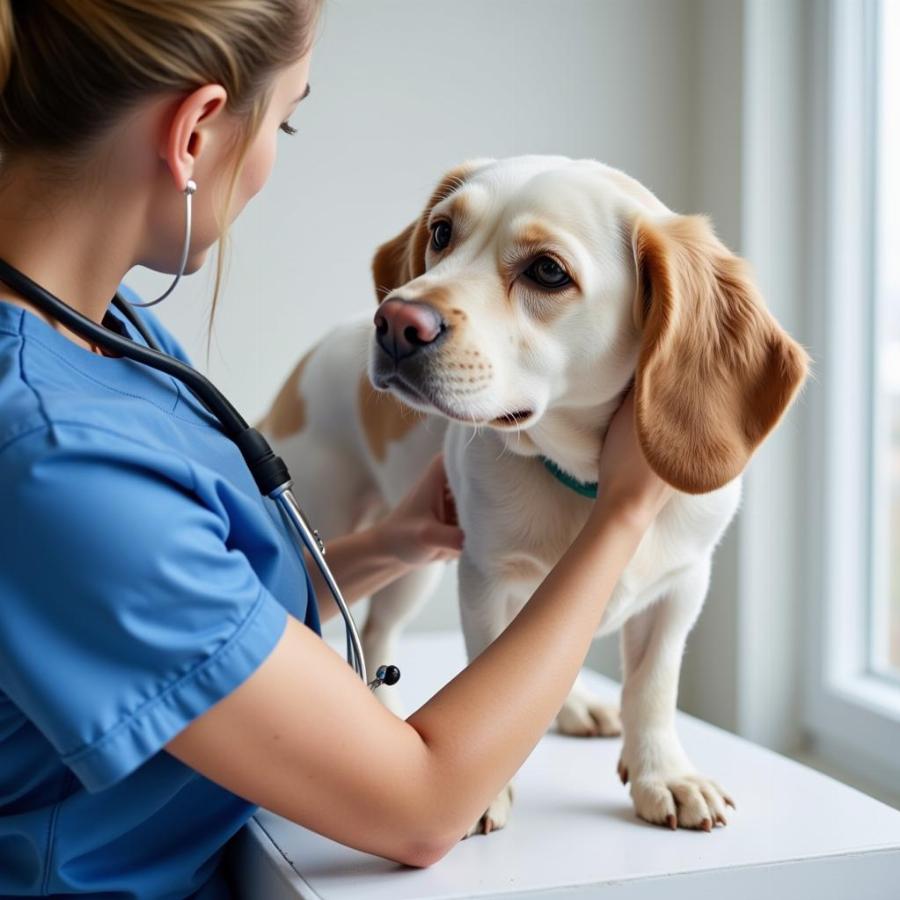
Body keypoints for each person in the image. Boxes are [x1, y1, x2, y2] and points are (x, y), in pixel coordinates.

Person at [0, 1, 673, 897]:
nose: (275, 153)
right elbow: (421, 806)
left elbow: (180, 622)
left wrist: (388, 545)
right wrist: (625, 513)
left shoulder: (104, 331)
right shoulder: (53, 454)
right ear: (196, 132)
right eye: (286, 120)